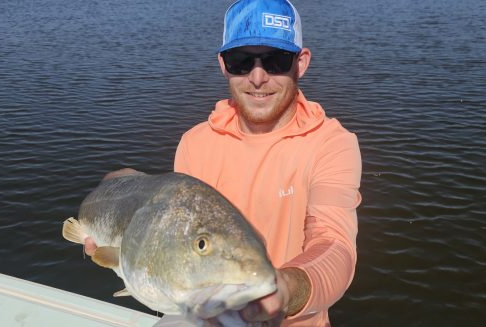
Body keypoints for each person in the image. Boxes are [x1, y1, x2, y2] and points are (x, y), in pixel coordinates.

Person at [89, 0, 361, 325]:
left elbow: (334, 244)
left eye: (276, 60)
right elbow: (176, 238)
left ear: (300, 62)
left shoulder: (331, 143)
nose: (258, 77)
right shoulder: (196, 142)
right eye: (241, 61)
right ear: (223, 64)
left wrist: (285, 289)